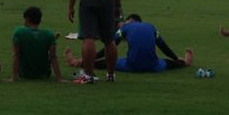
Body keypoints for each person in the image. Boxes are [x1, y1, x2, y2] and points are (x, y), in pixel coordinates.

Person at [65, 14, 193, 73]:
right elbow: (163, 47)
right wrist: (176, 58)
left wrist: (90, 57)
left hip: (132, 65)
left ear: (130, 20)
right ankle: (184, 62)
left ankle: (77, 62)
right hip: (153, 66)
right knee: (170, 63)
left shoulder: (125, 28)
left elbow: (109, 48)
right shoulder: (151, 27)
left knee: (107, 62)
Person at [10, 6, 63, 82]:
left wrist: (14, 78)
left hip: (24, 74)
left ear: (27, 19)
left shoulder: (18, 32)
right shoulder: (48, 34)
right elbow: (53, 57)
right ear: (40, 20)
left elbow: (16, 54)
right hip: (44, 74)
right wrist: (59, 78)